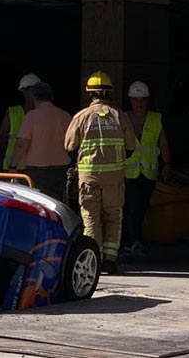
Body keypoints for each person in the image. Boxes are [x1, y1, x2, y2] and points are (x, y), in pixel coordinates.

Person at [65, 71, 137, 275]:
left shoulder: (81, 117)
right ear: (109, 93)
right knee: (114, 217)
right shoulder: (119, 116)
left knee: (91, 219)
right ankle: (110, 261)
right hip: (114, 179)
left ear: (90, 94)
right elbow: (131, 147)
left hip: (89, 178)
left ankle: (93, 261)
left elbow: (69, 147)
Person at [121, 81, 172, 257]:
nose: (139, 104)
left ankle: (134, 239)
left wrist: (167, 165)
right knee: (130, 207)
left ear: (147, 100)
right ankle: (131, 240)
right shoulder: (123, 118)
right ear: (130, 100)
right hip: (128, 172)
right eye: (136, 100)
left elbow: (163, 143)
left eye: (142, 100)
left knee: (141, 208)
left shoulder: (155, 119)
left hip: (148, 173)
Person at [10, 82, 72, 201]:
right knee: (59, 203)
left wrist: (13, 166)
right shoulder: (65, 116)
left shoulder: (31, 116)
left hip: (37, 171)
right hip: (61, 169)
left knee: (39, 204)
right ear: (51, 97)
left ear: (33, 98)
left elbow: (22, 145)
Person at [0, 74, 41, 171]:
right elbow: (2, 137)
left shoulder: (42, 113)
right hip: (15, 168)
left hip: (33, 168)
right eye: (28, 90)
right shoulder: (12, 112)